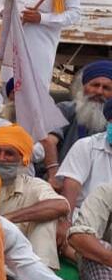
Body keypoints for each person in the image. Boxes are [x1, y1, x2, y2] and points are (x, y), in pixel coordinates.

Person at [0, 124, 69, 269]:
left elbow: (61, 205)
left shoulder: (32, 185)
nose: (1, 158)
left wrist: (7, 220)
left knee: (46, 220)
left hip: (17, 263)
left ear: (21, 158)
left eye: (9, 153)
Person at [56, 99, 112, 244]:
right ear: (109, 120)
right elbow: (71, 188)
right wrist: (65, 223)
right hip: (84, 219)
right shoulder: (86, 146)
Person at [48, 60, 112, 166]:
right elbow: (49, 141)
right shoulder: (64, 109)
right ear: (83, 86)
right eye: (95, 85)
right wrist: (52, 172)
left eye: (106, 88)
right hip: (62, 177)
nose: (99, 92)